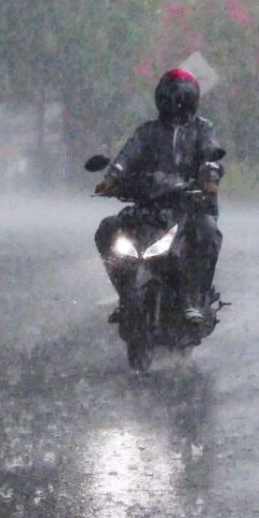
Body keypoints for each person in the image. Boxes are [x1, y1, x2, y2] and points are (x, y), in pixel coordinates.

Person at [94, 68, 224, 325]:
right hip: (150, 207)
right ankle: (126, 295)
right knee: (108, 230)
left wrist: (210, 178)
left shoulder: (203, 129)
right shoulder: (148, 131)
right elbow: (127, 156)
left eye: (178, 98)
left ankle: (193, 297)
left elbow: (212, 155)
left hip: (190, 207)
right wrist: (111, 179)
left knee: (207, 233)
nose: (173, 104)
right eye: (168, 97)